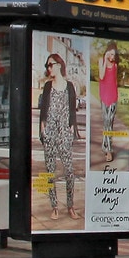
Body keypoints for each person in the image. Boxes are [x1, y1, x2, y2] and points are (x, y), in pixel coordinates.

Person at [38, 51, 79, 215]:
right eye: (47, 66)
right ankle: (54, 207)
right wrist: (42, 128)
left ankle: (70, 205)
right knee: (50, 171)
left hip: (64, 132)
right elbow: (43, 109)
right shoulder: (48, 86)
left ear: (59, 65)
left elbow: (73, 110)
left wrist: (71, 129)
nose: (48, 69)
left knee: (69, 171)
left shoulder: (70, 86)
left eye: (50, 65)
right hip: (50, 131)